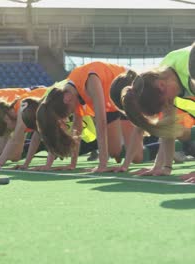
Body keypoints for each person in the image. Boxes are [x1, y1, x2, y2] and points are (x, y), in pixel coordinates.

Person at [36, 61, 142, 172]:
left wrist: (102, 164)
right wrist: (72, 164)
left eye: (69, 113)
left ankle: (153, 145)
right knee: (114, 152)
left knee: (137, 158)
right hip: (110, 104)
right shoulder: (71, 94)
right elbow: (77, 129)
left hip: (126, 90)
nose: (70, 116)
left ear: (67, 98)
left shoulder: (91, 80)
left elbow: (101, 121)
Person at [110, 44, 195, 178]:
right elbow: (168, 127)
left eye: (166, 102)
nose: (169, 105)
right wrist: (164, 167)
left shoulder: (190, 73)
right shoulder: (163, 75)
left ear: (161, 86)